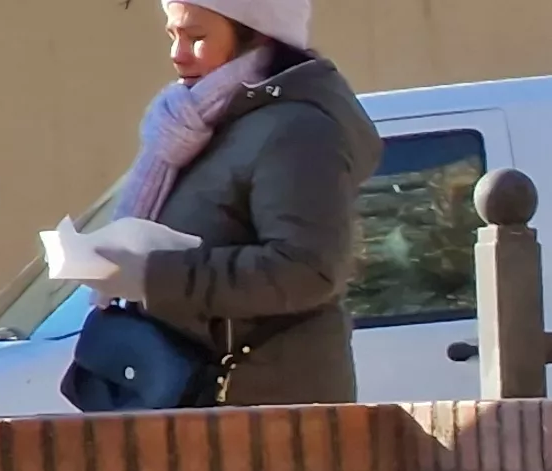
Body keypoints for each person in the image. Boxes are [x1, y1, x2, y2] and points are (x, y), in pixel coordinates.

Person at [60, 1, 374, 410]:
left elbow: (306, 270)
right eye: (173, 35)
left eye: (197, 37)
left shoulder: (298, 129)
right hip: (198, 397)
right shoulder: (197, 123)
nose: (178, 53)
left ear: (257, 34)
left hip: (267, 405)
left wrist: (151, 276)